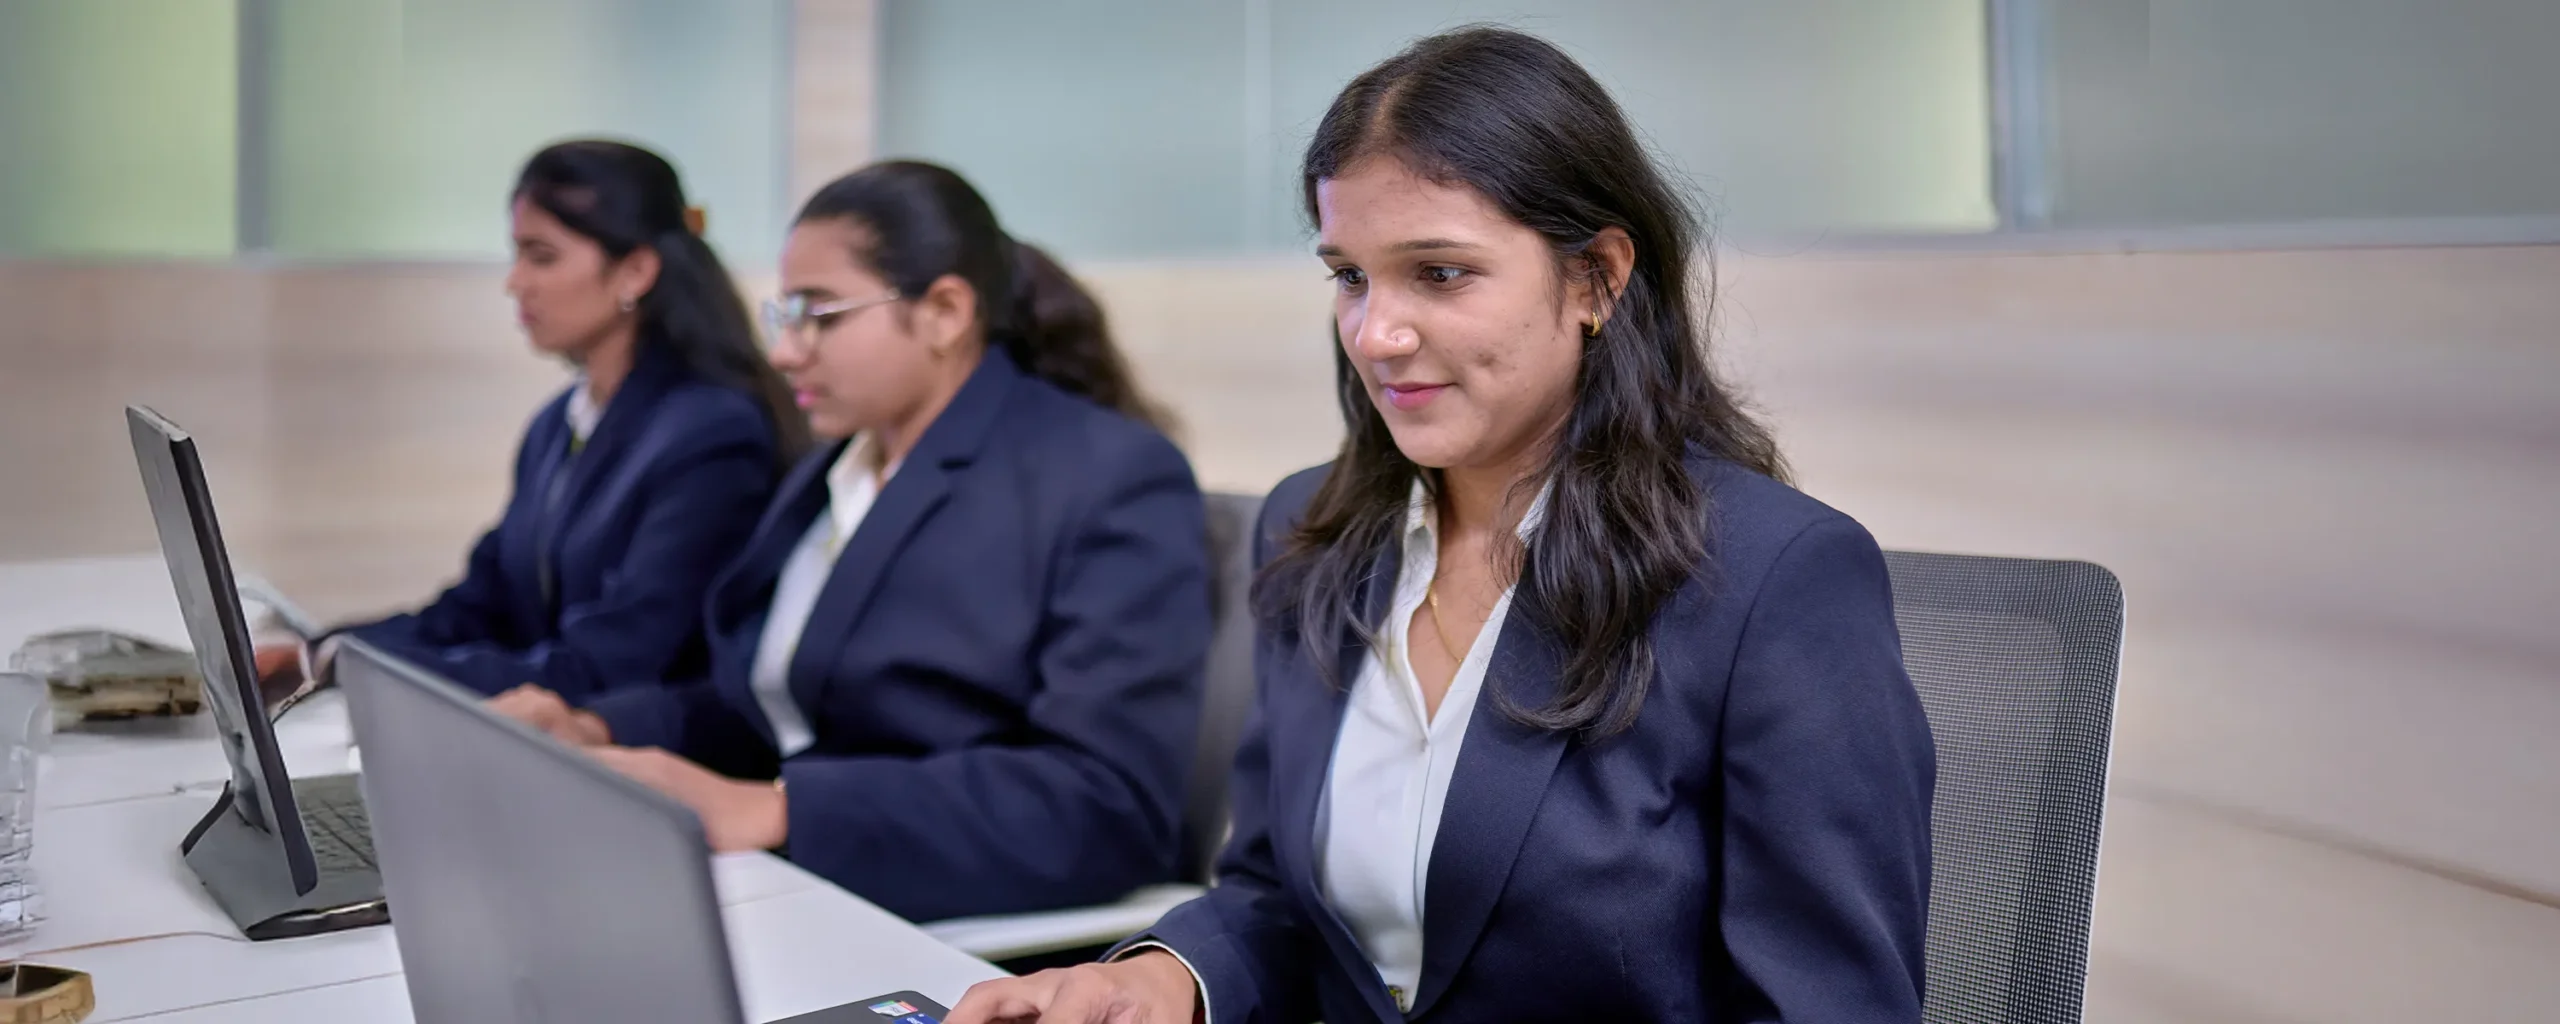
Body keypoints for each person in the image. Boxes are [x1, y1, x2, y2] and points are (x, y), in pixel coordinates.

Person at [948, 27, 1936, 1024]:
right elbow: (1280, 898)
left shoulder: (1772, 577)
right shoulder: (1317, 533)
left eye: (1441, 273)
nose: (1376, 333)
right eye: (1349, 276)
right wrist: (1159, 977)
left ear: (1595, 278)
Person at [492, 161, 1212, 923]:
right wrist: (597, 728)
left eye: (821, 314)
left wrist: (777, 812)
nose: (786, 351)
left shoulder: (1105, 475)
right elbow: (772, 706)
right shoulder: (839, 470)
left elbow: (1103, 806)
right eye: (785, 315)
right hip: (806, 886)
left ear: (943, 311)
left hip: (957, 920)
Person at [256, 141, 804, 703]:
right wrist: (320, 652)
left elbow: (614, 664)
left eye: (541, 256)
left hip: (631, 763)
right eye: (517, 255)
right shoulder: (556, 426)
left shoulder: (713, 435)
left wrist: (352, 670)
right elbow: (481, 606)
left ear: (635, 271)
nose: (515, 282)